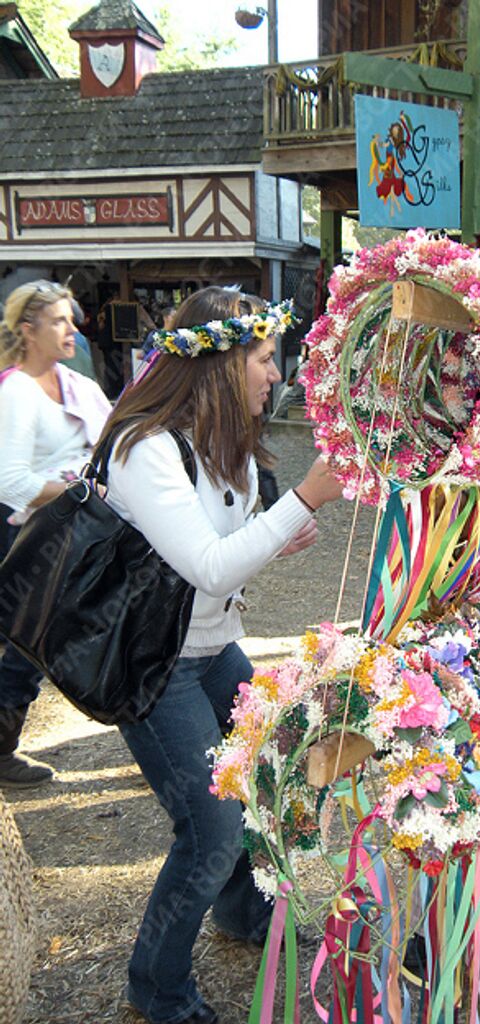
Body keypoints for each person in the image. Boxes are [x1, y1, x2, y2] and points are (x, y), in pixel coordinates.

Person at [99, 285, 342, 1024]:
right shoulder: (145, 447)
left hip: (212, 649)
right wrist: (302, 501)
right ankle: (157, 985)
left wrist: (280, 528)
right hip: (155, 666)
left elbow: (222, 568)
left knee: (270, 774)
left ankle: (241, 911)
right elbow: (207, 566)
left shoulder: (224, 441)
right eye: (266, 359)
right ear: (221, 361)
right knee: (209, 824)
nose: (277, 374)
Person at [0, 280, 112, 788]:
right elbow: (11, 481)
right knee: (33, 649)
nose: (73, 329)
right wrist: (80, 486)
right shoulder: (17, 393)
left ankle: (161, 741)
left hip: (83, 529)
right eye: (59, 321)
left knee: (113, 632)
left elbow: (114, 441)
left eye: (72, 318)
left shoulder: (78, 385)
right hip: (36, 539)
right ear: (28, 330)